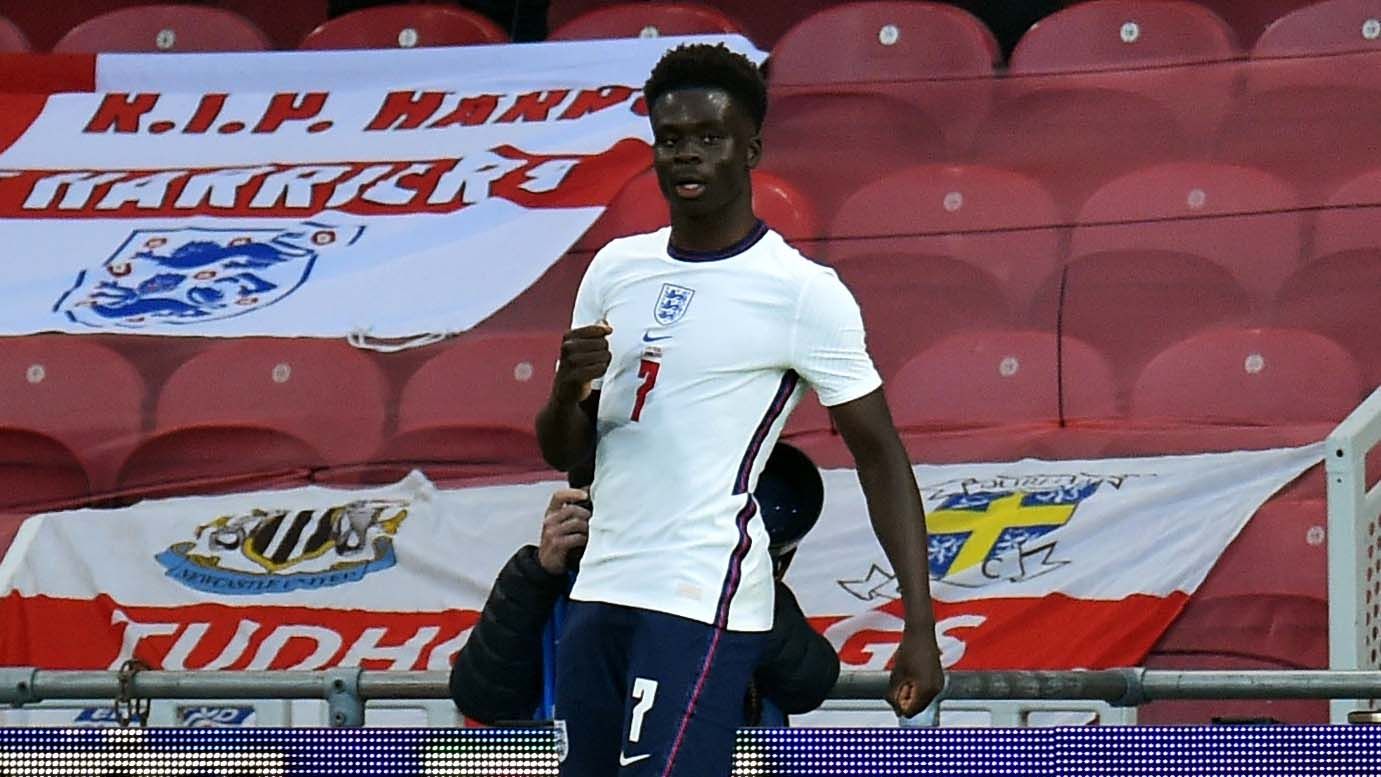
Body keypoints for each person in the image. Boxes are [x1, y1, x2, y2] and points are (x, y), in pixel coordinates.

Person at [534, 43, 942, 776]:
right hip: (598, 588)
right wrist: (567, 389)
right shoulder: (615, 268)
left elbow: (879, 454)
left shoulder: (800, 292)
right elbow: (569, 453)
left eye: (707, 138)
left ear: (749, 148)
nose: (685, 156)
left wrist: (919, 623)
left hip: (700, 592)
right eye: (669, 140)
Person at [450, 442, 838, 727]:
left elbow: (807, 684)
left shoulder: (732, 582)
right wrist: (539, 574)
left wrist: (731, 574)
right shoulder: (544, 579)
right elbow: (481, 698)